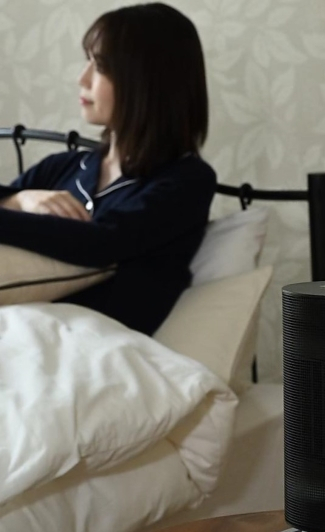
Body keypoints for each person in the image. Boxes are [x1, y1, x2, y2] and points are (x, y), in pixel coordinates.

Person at [0, 3, 215, 335]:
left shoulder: (186, 181)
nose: (82, 78)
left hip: (96, 348)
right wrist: (19, 199)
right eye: (87, 61)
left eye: (100, 67)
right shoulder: (61, 168)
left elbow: (101, 243)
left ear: (146, 82)